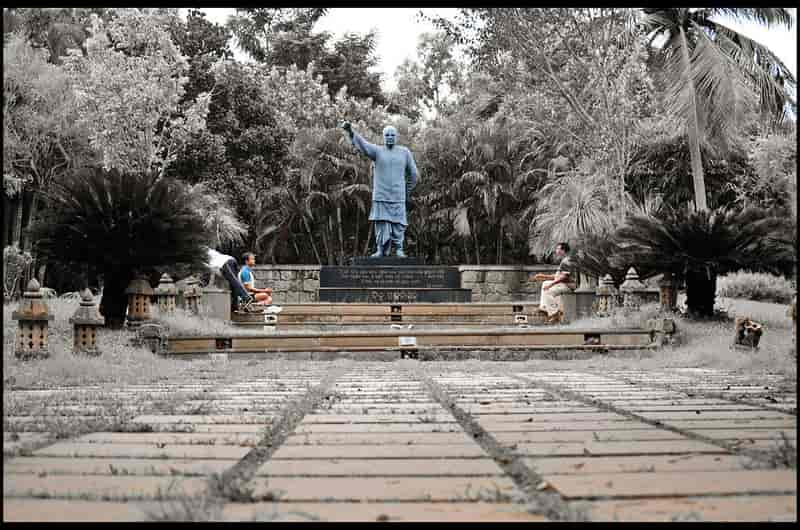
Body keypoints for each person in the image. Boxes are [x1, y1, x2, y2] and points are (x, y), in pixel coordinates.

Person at [341, 121, 419, 258]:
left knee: (399, 223)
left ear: (396, 137)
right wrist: (351, 132)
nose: (390, 137)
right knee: (381, 223)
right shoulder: (377, 151)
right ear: (384, 137)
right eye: (387, 135)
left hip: (398, 196)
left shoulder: (404, 152)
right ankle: (381, 249)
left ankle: (399, 248)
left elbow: (414, 174)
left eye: (392, 135)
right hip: (381, 195)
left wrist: (407, 191)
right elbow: (364, 145)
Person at [532, 242, 578, 323]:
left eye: (558, 249)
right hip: (563, 284)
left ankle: (554, 313)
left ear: (563, 250)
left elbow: (564, 277)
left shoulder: (567, 261)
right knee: (545, 283)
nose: (556, 250)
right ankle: (544, 308)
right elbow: (557, 276)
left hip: (569, 285)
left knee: (549, 291)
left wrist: (551, 284)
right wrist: (543, 276)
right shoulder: (564, 260)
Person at [204, 248, 258, 312]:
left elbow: (208, 273)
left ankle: (246, 297)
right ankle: (235, 308)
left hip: (226, 262)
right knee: (233, 286)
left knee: (234, 281)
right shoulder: (207, 255)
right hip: (229, 261)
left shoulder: (203, 254)